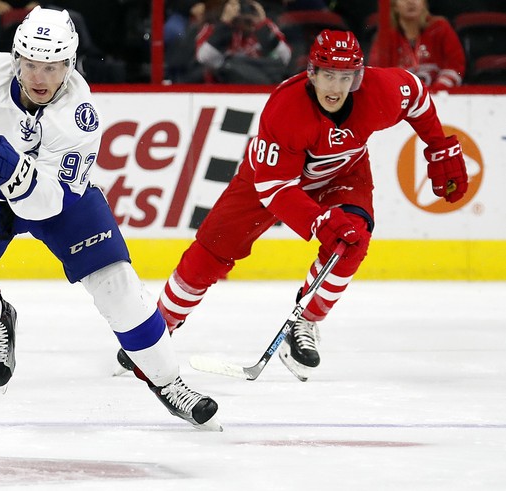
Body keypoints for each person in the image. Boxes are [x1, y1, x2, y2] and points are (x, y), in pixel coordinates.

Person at [0, 6, 221, 429]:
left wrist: (14, 173)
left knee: (117, 287)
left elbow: (50, 202)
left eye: (52, 67)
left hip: (56, 199)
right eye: (30, 64)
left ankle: (169, 382)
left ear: (70, 64)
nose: (39, 78)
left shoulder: (80, 118)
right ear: (16, 58)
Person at [118, 30, 468, 382]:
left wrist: (439, 147)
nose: (336, 87)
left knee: (353, 239)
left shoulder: (381, 91)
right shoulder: (286, 108)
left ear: (358, 77)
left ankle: (306, 322)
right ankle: (156, 332)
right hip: (268, 181)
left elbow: (417, 97)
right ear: (312, 73)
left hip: (342, 173)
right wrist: (317, 222)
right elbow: (276, 188)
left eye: (346, 77)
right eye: (328, 75)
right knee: (208, 254)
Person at [369, 0, 465, 91]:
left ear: (424, 2)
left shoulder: (440, 28)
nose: (411, 2)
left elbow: (455, 66)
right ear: (395, 6)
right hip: (403, 100)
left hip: (440, 99)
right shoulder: (385, 38)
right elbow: (377, 74)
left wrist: (435, 91)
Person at [195, 0, 291, 84]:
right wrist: (225, 25)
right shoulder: (214, 27)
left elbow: (284, 58)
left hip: (263, 83)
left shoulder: (265, 26)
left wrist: (262, 25)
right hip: (224, 86)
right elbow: (204, 57)